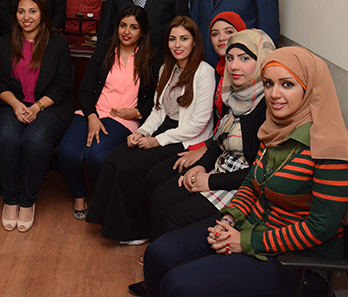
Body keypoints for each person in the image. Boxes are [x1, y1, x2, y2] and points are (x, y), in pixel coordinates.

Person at [140, 46, 348, 297]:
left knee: (180, 284)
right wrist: (229, 219)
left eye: (287, 84)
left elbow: (321, 227)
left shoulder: (331, 148)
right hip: (250, 226)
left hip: (297, 259)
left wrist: (246, 242)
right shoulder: (275, 129)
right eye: (269, 84)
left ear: (310, 88)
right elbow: (251, 183)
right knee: (158, 253)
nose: (274, 94)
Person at [87, 17, 215, 243]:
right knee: (114, 158)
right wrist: (142, 133)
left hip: (187, 138)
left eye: (184, 39)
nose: (177, 44)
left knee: (132, 167)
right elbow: (157, 110)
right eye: (172, 39)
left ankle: (136, 231)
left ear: (194, 42)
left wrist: (156, 141)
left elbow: (198, 124)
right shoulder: (167, 68)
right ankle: (106, 222)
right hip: (165, 129)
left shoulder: (204, 72)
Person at [147, 29, 275, 240]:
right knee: (160, 197)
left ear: (262, 60)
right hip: (219, 168)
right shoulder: (234, 95)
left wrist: (210, 180)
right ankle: (157, 253)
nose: (234, 66)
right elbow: (219, 142)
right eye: (230, 58)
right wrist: (201, 166)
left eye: (244, 58)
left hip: (242, 186)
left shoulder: (269, 107)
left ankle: (168, 255)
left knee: (176, 217)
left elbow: (259, 172)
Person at [58, 5, 156, 220]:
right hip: (93, 112)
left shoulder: (151, 59)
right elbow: (84, 91)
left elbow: (156, 99)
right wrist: (92, 116)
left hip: (123, 120)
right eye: (123, 25)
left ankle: (102, 198)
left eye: (133, 27)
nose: (126, 31)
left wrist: (137, 112)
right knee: (67, 152)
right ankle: (79, 194)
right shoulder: (104, 51)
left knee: (97, 156)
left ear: (142, 31)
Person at [0, 0, 74, 232]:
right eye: (21, 11)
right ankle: (10, 198)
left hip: (48, 105)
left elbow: (62, 86)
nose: (26, 17)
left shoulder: (58, 43)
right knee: (5, 137)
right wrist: (17, 105)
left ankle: (27, 199)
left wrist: (37, 107)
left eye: (32, 11)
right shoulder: (4, 42)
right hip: (11, 103)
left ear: (42, 14)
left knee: (35, 139)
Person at [208, 12, 247, 119]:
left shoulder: (248, 70)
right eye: (215, 34)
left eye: (228, 32)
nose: (221, 38)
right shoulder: (218, 71)